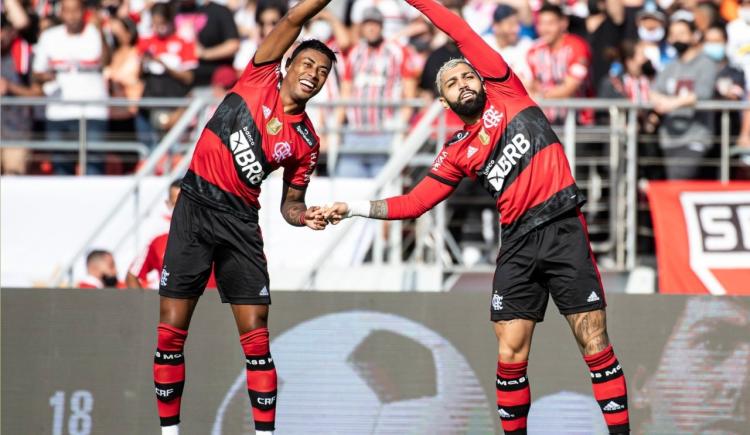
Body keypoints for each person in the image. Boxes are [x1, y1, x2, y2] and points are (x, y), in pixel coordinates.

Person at [323, 0, 630, 433]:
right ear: (443, 98)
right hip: (517, 244)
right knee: (509, 354)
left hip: (562, 227)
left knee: (593, 341)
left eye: (468, 74)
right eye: (452, 81)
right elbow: (414, 203)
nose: (463, 81)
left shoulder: (507, 91)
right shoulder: (455, 151)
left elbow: (461, 32)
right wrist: (351, 208)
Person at [152, 0, 334, 433]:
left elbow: (289, 203)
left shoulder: (306, 141)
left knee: (256, 339)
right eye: (307, 63)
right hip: (195, 208)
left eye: (323, 72)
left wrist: (302, 215)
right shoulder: (258, 77)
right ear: (288, 64)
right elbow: (292, 19)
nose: (313, 73)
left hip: (240, 223)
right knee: (171, 333)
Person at [337, 6, 418, 177]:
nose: (372, 28)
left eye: (375, 23)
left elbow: (409, 95)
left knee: (383, 194)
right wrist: (336, 128)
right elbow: (345, 93)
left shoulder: (397, 51)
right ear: (362, 27)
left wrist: (399, 128)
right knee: (346, 188)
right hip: (355, 133)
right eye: (367, 24)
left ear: (381, 26)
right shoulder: (354, 53)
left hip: (384, 133)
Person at [32, 0, 110, 175]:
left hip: (92, 112)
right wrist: (46, 76)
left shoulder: (95, 32)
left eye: (76, 11)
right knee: (61, 167)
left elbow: (106, 62)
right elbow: (37, 72)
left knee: (94, 167)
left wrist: (100, 32)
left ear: (83, 11)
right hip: (59, 112)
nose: (72, 16)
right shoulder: (49, 36)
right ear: (61, 13)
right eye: (67, 11)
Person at [650, 17, 719, 180]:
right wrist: (661, 101)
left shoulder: (705, 63)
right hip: (669, 138)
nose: (676, 38)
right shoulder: (670, 66)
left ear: (694, 36)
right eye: (673, 34)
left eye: (681, 33)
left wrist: (671, 103)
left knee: (679, 181)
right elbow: (653, 91)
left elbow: (703, 92)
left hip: (694, 136)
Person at [126, 179, 218, 290]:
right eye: (176, 204)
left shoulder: (217, 236)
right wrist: (142, 306)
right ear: (168, 204)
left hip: (211, 305)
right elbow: (132, 275)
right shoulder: (158, 241)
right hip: (173, 305)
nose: (181, 209)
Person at [135, 3, 197, 149]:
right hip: (148, 103)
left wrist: (164, 65)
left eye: (161, 23)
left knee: (170, 150)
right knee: (147, 149)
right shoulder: (146, 41)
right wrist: (143, 62)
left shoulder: (183, 42)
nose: (158, 28)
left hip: (172, 105)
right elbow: (138, 75)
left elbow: (188, 77)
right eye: (154, 24)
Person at [527, 3, 593, 125]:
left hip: (579, 123)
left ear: (563, 23)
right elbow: (531, 85)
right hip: (546, 123)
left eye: (550, 23)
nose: (545, 29)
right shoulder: (533, 51)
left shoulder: (578, 47)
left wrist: (539, 96)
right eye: (541, 23)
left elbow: (570, 87)